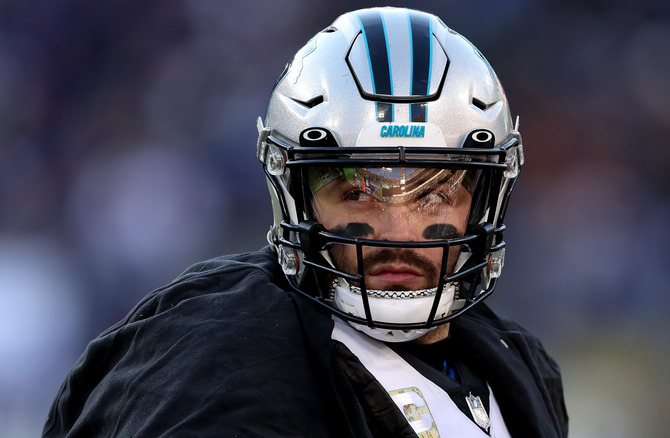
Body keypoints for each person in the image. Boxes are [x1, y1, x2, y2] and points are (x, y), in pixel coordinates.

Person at [43, 7, 567, 437]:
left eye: (435, 196)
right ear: (295, 196)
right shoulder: (218, 362)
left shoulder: (515, 362)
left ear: (484, 200)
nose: (398, 231)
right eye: (358, 193)